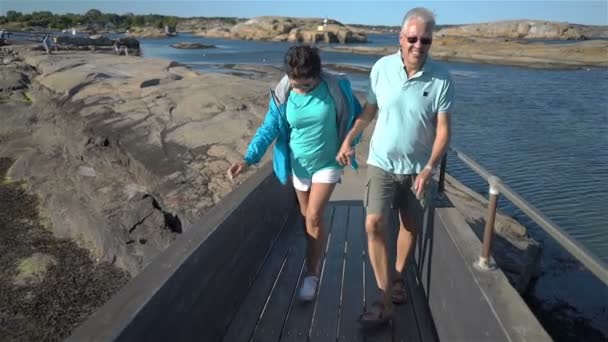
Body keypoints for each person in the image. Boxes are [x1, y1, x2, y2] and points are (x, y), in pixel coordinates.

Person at [336, 7, 454, 327]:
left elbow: (443, 130)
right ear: (400, 38)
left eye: (425, 40)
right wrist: (350, 139)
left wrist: (430, 167)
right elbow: (370, 109)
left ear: (431, 41)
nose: (418, 45)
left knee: (410, 226)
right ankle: (384, 297)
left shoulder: (442, 78)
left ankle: (399, 276)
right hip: (381, 163)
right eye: (412, 38)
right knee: (374, 223)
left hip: (418, 169)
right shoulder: (381, 68)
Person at [228, 45, 362, 301]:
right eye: (296, 84)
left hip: (328, 163)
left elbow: (357, 119)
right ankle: (317, 240)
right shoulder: (283, 92)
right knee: (306, 218)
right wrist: (248, 158)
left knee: (312, 216)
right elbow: (269, 128)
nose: (300, 89)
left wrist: (349, 144)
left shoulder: (336, 89)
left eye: (307, 85)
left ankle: (311, 274)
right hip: (298, 165)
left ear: (318, 74)